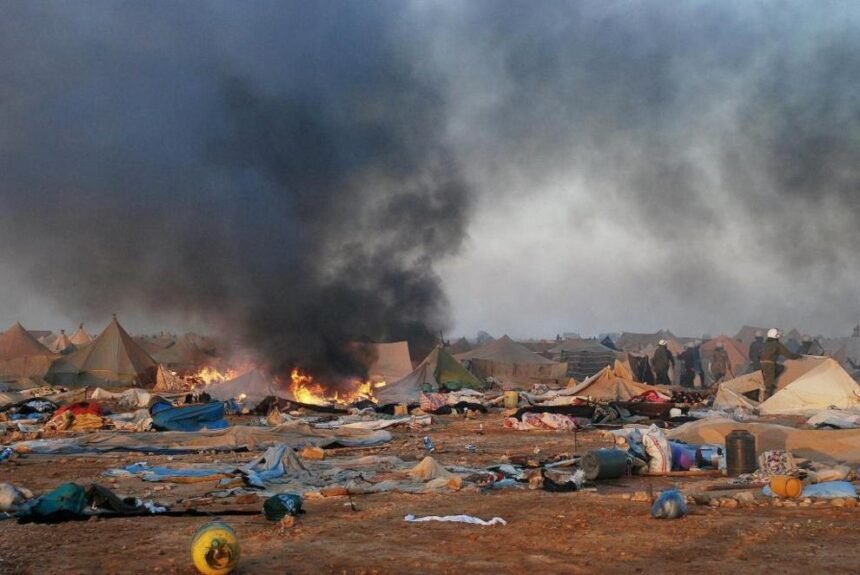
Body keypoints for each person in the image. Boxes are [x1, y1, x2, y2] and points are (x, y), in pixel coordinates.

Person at [760, 328, 801, 399]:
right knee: (769, 383)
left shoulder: (765, 344)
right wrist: (799, 356)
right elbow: (789, 355)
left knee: (779, 368)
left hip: (761, 363)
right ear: (776, 336)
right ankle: (766, 400)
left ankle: (769, 384)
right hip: (770, 365)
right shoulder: (777, 344)